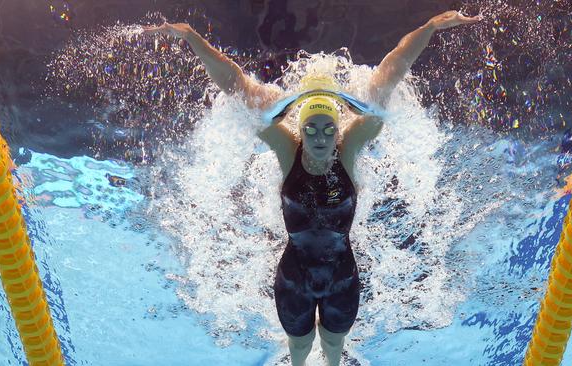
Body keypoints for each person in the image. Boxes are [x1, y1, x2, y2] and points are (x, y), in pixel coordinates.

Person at [143, 10, 481, 366]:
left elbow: (388, 78)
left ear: (338, 131)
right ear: (300, 130)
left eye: (326, 129)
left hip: (342, 275)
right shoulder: (288, 152)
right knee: (299, 348)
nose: (319, 137)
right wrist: (192, 37)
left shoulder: (347, 151)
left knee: (334, 348)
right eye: (311, 129)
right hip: (294, 276)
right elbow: (237, 88)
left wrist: (429, 27)